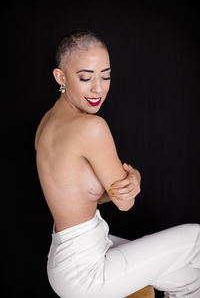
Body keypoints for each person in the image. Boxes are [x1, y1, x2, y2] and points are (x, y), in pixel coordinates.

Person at [35, 30, 200, 298]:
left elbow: (80, 194)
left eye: (106, 75)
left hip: (68, 260)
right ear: (61, 77)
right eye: (86, 77)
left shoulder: (46, 123)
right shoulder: (91, 127)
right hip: (86, 270)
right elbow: (125, 203)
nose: (98, 88)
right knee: (196, 240)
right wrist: (132, 182)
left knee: (189, 279)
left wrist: (126, 183)